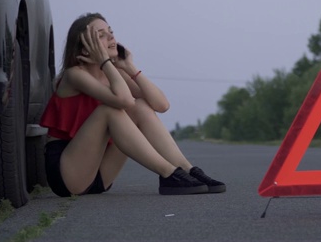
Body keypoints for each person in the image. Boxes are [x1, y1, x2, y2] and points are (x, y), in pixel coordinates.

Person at [39, 12, 225, 197]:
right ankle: (169, 172)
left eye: (110, 31)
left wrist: (130, 67)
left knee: (141, 106)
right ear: (86, 49)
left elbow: (161, 105)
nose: (111, 37)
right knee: (109, 111)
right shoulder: (75, 75)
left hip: (100, 174)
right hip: (69, 174)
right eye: (101, 35)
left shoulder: (114, 74)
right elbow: (124, 101)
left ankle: (186, 169)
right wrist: (105, 62)